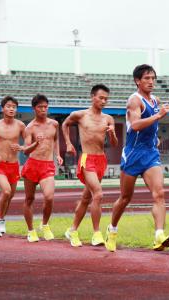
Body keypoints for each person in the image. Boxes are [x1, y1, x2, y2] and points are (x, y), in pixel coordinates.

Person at [105, 64, 169, 252]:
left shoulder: (155, 100)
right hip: (133, 155)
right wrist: (159, 115)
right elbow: (135, 125)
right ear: (137, 81)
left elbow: (151, 125)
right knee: (126, 197)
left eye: (153, 78)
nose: (151, 82)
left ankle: (159, 235)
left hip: (150, 154)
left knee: (159, 194)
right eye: (146, 79)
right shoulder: (134, 101)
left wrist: (155, 137)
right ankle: (112, 229)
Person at [62, 84, 118, 247]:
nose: (104, 101)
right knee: (98, 195)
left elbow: (114, 144)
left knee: (86, 198)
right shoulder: (79, 115)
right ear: (93, 97)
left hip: (101, 160)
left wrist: (112, 133)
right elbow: (65, 124)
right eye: (101, 98)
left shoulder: (108, 119)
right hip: (87, 159)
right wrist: (68, 143)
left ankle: (72, 230)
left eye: (106, 99)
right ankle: (96, 234)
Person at [0, 96, 39, 237]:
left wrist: (21, 147)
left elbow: (27, 143)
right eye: (8, 106)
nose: (11, 109)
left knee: (9, 197)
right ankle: (1, 220)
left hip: (14, 166)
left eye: (14, 106)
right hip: (0, 165)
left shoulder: (20, 125)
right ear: (2, 108)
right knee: (6, 192)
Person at [22, 94, 63, 242]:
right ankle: (31, 230)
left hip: (47, 165)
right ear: (34, 108)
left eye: (46, 107)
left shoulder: (54, 124)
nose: (43, 109)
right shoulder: (30, 128)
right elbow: (26, 151)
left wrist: (57, 154)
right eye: (40, 107)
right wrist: (36, 144)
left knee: (49, 197)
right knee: (29, 199)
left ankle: (45, 224)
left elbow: (56, 139)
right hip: (32, 165)